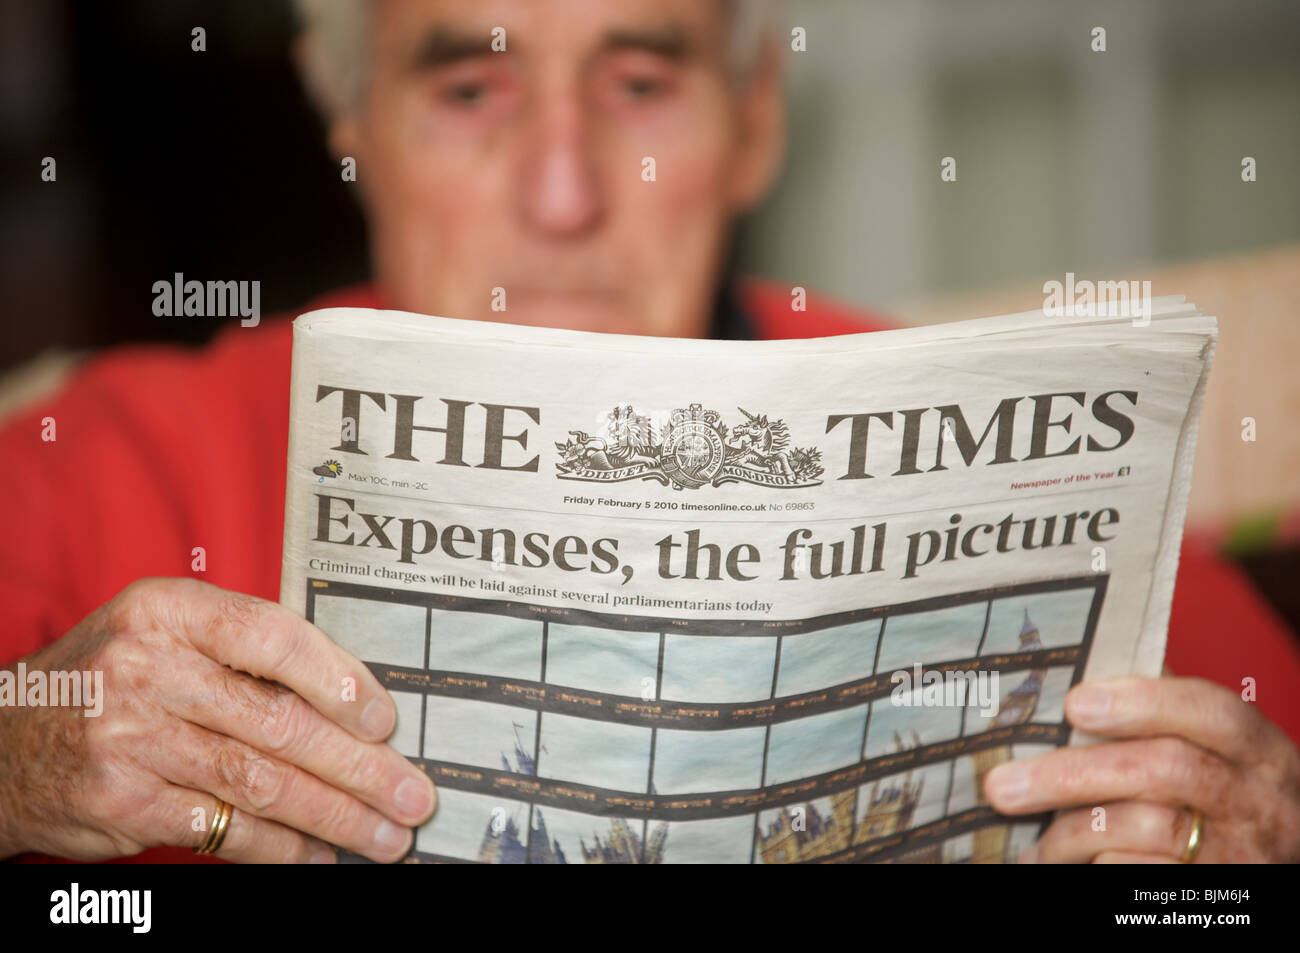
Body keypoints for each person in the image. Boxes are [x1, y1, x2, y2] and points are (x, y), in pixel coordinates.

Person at [1, 0, 1297, 865]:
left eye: (639, 83)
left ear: (755, 123)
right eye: (467, 89)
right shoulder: (103, 459)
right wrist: (22, 758)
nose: (561, 193)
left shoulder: (1000, 452)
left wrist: (1240, 849)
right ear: (349, 121)